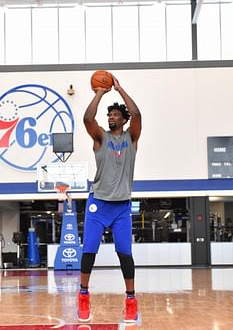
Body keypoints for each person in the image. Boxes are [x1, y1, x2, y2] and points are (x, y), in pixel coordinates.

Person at [77, 73, 142, 323]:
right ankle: (83, 295)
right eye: (109, 115)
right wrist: (100, 93)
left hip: (121, 207)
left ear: (124, 120)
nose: (111, 117)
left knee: (125, 252)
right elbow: (87, 118)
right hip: (98, 203)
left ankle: (131, 299)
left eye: (115, 115)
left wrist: (120, 89)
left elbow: (137, 115)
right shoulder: (100, 138)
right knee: (89, 250)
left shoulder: (131, 138)